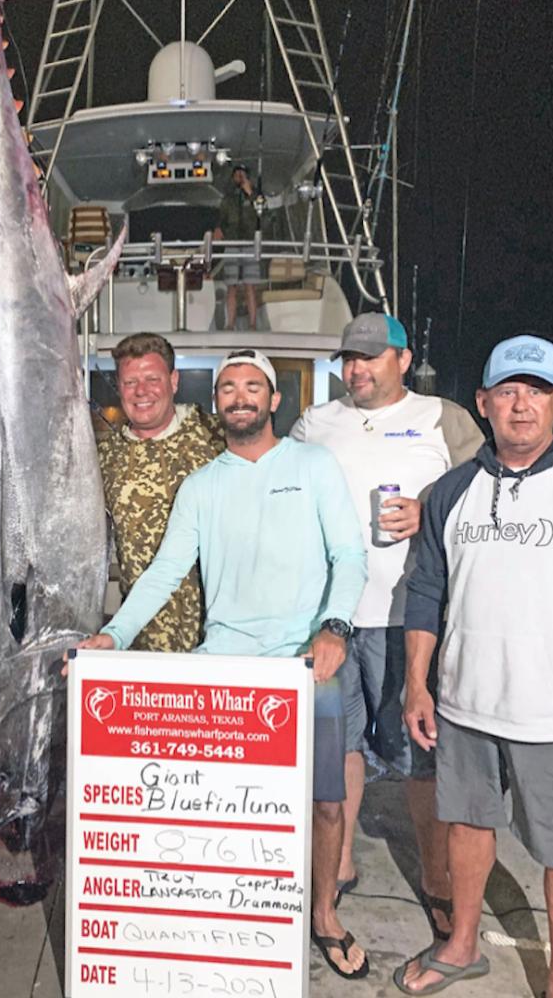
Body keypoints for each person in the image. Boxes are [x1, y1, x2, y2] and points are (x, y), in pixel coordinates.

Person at [78, 349, 371, 979]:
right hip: (225, 671)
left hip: (306, 668)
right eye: (229, 388)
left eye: (252, 387)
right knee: (220, 809)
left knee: (325, 804)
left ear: (273, 400)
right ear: (217, 404)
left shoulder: (314, 465)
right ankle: (223, 928)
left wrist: (334, 628)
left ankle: (324, 915)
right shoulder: (201, 485)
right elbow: (165, 571)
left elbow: (349, 556)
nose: (240, 396)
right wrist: (115, 635)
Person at [290, 313, 484, 939]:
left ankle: (435, 876)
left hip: (411, 620)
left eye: (371, 358)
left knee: (419, 756)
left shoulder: (443, 417)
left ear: (403, 359)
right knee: (339, 747)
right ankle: (339, 862)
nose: (357, 370)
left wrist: (429, 509)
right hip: (332, 619)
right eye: (349, 358)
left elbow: (485, 490)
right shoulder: (314, 423)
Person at [392, 335, 553, 996]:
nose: (523, 405)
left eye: (538, 391)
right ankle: (462, 945)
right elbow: (426, 590)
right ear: (483, 402)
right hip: (465, 702)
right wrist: (416, 684)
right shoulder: (452, 490)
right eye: (509, 391)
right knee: (465, 825)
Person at [98, 333, 225, 652]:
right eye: (130, 382)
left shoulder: (214, 436)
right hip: (141, 639)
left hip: (218, 639)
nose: (141, 391)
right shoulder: (105, 456)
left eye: (152, 379)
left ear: (174, 380)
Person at [213, 164, 263, 330]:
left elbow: (263, 212)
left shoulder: (256, 195)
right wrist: (218, 229)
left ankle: (253, 324)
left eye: (242, 174)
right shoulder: (228, 198)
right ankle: (230, 324)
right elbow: (221, 219)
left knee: (250, 285)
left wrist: (250, 194)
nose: (239, 177)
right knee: (231, 285)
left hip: (250, 243)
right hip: (232, 243)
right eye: (236, 174)